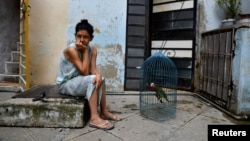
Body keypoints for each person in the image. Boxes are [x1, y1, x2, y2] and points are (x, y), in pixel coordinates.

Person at [56, 19, 121, 130]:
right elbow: (85, 72)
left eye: (85, 37)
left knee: (101, 79)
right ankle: (94, 118)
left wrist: (99, 75)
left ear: (91, 38)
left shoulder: (92, 49)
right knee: (92, 80)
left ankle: (104, 111)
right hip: (65, 84)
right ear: (75, 36)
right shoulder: (71, 50)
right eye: (78, 36)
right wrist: (85, 51)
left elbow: (92, 70)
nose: (81, 40)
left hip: (78, 81)